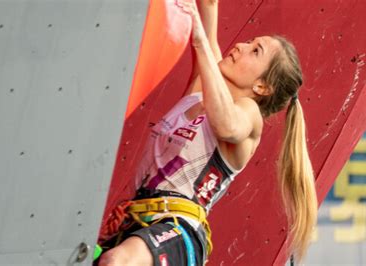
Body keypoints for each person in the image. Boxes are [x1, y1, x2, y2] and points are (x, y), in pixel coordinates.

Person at [96, 0, 318, 265]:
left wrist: (200, 40)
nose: (240, 46)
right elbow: (209, 7)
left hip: (181, 230)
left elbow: (227, 125)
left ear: (262, 87)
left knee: (116, 262)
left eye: (255, 50)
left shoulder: (249, 113)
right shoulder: (201, 91)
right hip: (138, 221)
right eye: (249, 41)